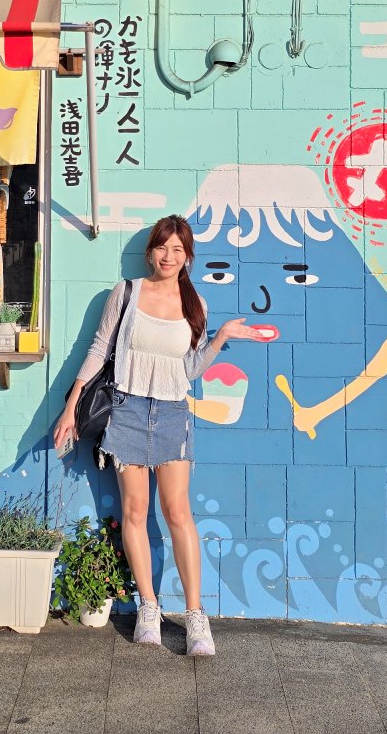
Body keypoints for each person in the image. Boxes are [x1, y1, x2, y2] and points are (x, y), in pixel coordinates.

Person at [52, 214, 261, 656]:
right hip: (125, 409)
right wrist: (71, 407)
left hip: (171, 414)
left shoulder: (194, 304)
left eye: (178, 250)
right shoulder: (126, 292)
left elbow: (188, 369)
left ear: (187, 258)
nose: (168, 256)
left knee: (177, 512)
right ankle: (148, 605)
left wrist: (219, 338)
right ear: (151, 251)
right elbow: (97, 349)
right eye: (162, 247)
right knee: (134, 510)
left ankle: (195, 616)